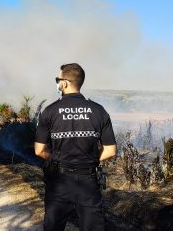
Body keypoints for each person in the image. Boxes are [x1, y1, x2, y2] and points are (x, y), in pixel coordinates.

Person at [35, 63, 117, 231]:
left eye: (58, 80)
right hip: (88, 182)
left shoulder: (50, 111)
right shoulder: (99, 111)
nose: (57, 83)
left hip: (59, 182)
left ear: (64, 83)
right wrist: (91, 160)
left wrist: (57, 158)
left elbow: (39, 150)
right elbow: (110, 150)